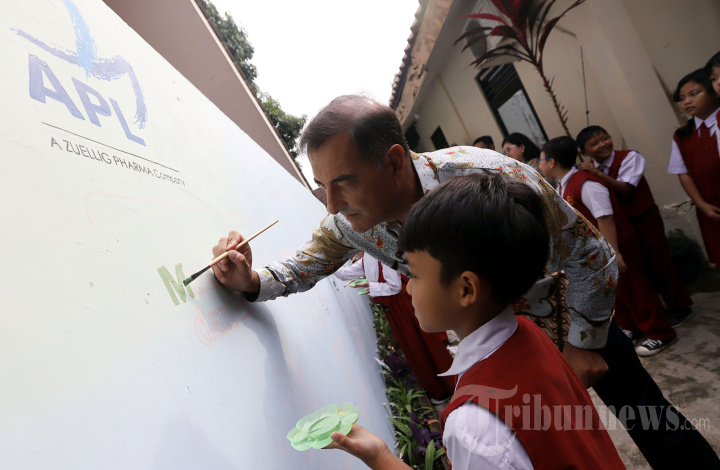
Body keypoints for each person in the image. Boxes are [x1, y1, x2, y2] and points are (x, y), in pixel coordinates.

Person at [211, 95, 720, 468]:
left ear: (394, 161)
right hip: (497, 353)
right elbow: (304, 266)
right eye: (321, 187)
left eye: (343, 183)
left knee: (650, 422)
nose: (331, 205)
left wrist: (584, 343)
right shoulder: (352, 222)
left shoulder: (488, 177)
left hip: (572, 325)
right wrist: (249, 280)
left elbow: (593, 255)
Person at [327, 173, 625, 469]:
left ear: (466, 289)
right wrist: (379, 454)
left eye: (414, 274)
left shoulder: (472, 427)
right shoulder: (530, 334)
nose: (409, 288)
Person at [539, 136, 677, 356]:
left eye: (541, 159)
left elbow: (605, 218)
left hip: (615, 245)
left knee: (635, 290)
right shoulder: (563, 184)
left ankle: (660, 332)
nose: (539, 164)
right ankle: (632, 327)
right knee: (615, 293)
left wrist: (613, 253)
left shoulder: (586, 183)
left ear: (552, 162)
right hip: (596, 253)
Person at [575, 125, 694, 327]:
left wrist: (599, 174)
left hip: (644, 219)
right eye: (595, 143)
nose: (603, 144)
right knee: (639, 271)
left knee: (660, 263)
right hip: (623, 225)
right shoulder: (589, 169)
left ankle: (680, 307)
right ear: (584, 152)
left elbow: (626, 189)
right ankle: (657, 312)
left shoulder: (630, 157)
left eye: (605, 138)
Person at [334, 252, 454, 402]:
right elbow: (345, 274)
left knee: (426, 345)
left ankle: (448, 386)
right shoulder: (368, 257)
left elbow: (395, 286)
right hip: (394, 308)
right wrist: (326, 265)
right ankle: (438, 389)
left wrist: (371, 286)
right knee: (415, 350)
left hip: (404, 306)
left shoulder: (381, 253)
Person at [669, 68, 720, 269]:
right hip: (710, 206)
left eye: (694, 94)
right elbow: (683, 173)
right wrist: (701, 204)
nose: (687, 102)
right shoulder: (682, 135)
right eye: (682, 98)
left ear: (713, 91)